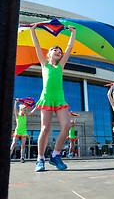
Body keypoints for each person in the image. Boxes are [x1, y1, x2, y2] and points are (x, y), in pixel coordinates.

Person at [30, 24, 76, 171]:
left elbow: (69, 48)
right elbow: (36, 45)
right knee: (45, 129)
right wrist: (32, 30)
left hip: (60, 100)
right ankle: (40, 159)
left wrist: (72, 33)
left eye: (59, 50)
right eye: (54, 49)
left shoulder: (61, 66)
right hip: (47, 99)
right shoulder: (45, 65)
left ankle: (55, 155)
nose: (58, 51)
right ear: (48, 54)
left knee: (67, 126)